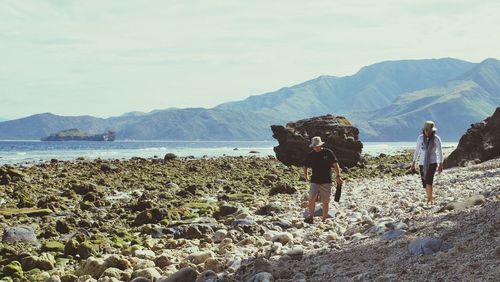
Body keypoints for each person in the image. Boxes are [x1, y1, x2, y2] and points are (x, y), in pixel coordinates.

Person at [303, 136, 343, 223]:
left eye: (317, 146)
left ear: (321, 145)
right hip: (314, 181)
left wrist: (338, 175)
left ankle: (324, 219)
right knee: (311, 198)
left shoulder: (328, 152)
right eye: (314, 146)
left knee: (325, 201)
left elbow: (335, 164)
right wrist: (306, 177)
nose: (316, 148)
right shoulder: (311, 154)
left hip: (326, 181)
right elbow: (305, 166)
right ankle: (311, 217)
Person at [411, 121, 443, 205]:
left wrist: (441, 164)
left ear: (432, 131)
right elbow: (417, 151)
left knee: (429, 181)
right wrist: (413, 163)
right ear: (424, 130)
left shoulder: (436, 139)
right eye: (426, 130)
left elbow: (440, 152)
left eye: (429, 130)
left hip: (432, 163)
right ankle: (430, 196)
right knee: (425, 183)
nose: (427, 132)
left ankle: (429, 199)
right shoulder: (420, 138)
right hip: (422, 163)